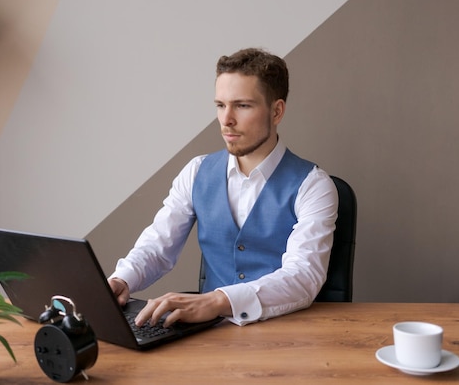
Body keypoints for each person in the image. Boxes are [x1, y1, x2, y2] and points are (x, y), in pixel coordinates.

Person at [108, 47, 338, 328]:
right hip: (207, 335)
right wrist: (123, 279)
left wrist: (218, 300)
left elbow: (303, 276)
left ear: (276, 111)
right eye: (220, 105)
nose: (226, 119)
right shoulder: (196, 172)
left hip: (283, 335)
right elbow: (158, 244)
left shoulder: (313, 185)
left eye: (242, 106)